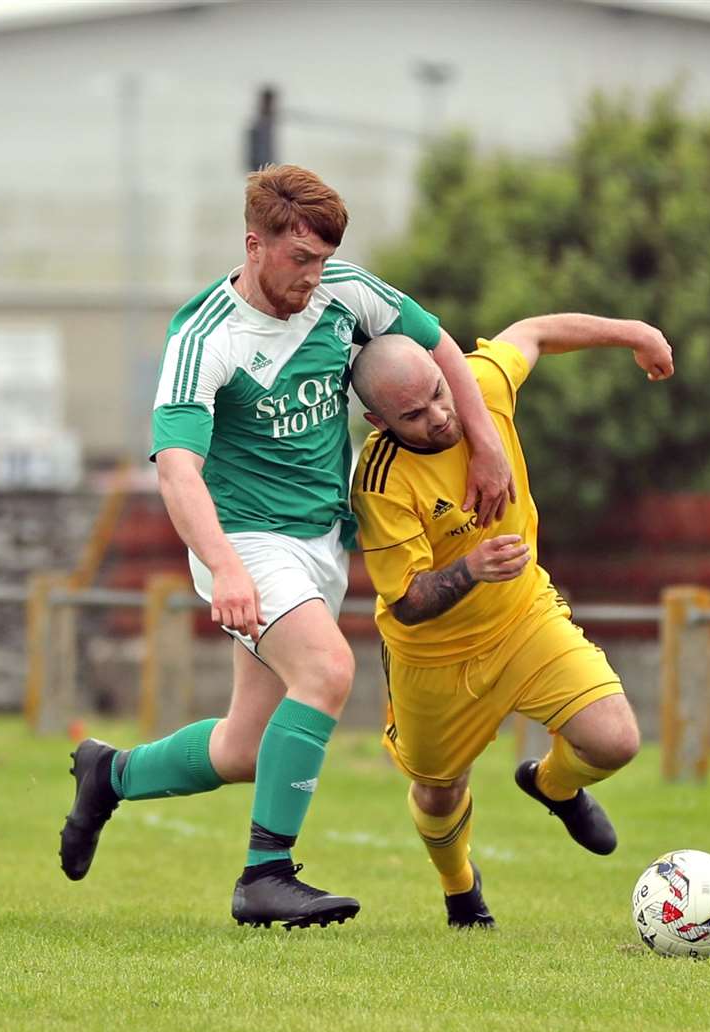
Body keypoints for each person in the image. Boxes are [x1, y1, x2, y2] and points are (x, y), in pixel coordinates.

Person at [57, 165, 514, 930]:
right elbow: (177, 472)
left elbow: (441, 352)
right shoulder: (205, 336)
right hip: (242, 541)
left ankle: (111, 774)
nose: (314, 277)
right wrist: (227, 568)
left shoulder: (345, 292)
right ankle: (265, 877)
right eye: (300, 260)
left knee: (245, 748)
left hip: (319, 545)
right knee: (328, 667)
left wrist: (489, 445)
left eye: (324, 260)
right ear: (255, 245)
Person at [349, 313, 674, 927]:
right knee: (438, 791)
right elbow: (409, 604)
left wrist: (635, 332)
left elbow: (536, 331)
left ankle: (554, 785)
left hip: (523, 617)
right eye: (412, 416)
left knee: (615, 741)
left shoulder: (480, 392)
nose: (439, 417)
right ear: (379, 422)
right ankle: (460, 889)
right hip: (433, 658)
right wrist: (471, 568)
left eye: (438, 395)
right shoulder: (379, 482)